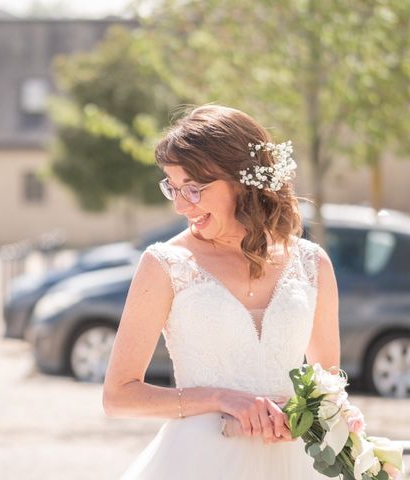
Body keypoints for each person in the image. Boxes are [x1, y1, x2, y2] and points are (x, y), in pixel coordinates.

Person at [103, 105, 339, 479]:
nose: (181, 205)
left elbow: (328, 386)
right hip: (196, 464)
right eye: (173, 188)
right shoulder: (165, 264)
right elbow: (118, 396)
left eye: (194, 189)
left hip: (292, 464)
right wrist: (217, 397)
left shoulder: (312, 264)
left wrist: (300, 416)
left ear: (242, 181)